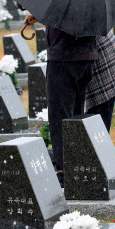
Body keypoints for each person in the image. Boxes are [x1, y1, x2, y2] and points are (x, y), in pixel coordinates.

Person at [23, 13, 97, 187]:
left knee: (60, 118)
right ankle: (77, 169)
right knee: (76, 116)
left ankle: (65, 173)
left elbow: (62, 10)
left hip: (63, 56)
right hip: (86, 55)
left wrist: (42, 14)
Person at [85, 32, 115, 132]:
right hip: (102, 55)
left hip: (103, 62)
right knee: (99, 121)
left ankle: (100, 145)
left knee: (99, 125)